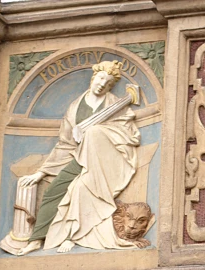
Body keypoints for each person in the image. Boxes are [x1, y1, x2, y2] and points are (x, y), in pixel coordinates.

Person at [17, 60, 140, 254]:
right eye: (100, 78)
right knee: (53, 192)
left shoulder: (116, 105)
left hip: (106, 161)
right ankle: (36, 239)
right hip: (79, 158)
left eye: (107, 83)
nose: (102, 84)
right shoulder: (75, 107)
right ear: (93, 78)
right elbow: (65, 144)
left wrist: (97, 133)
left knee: (79, 188)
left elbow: (129, 134)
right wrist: (41, 173)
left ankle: (72, 236)